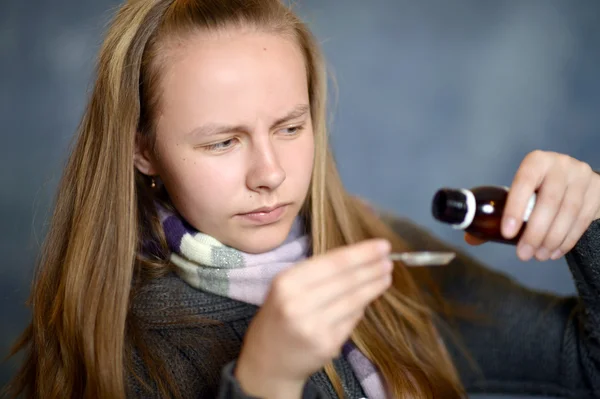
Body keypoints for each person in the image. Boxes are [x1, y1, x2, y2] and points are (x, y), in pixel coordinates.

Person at [5, 0, 600, 398]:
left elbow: (586, 367)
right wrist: (264, 381)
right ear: (143, 151)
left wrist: (593, 225)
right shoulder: (111, 348)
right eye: (222, 142)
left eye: (290, 128)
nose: (270, 175)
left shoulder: (385, 255)